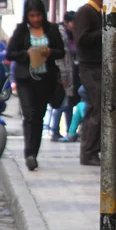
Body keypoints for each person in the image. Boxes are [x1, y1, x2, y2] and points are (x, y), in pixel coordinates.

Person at [6, 0, 65, 171]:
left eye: (38, 15)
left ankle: (34, 152)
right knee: (29, 114)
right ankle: (29, 154)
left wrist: (49, 52)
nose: (36, 19)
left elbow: (61, 52)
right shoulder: (21, 30)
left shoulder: (52, 29)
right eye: (32, 15)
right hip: (26, 80)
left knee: (38, 116)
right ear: (27, 16)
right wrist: (28, 54)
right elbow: (10, 54)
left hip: (45, 79)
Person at [73, 0, 103, 166]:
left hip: (99, 67)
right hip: (89, 68)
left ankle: (93, 150)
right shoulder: (86, 11)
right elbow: (81, 39)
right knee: (95, 107)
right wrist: (104, 32)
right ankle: (88, 152)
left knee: (99, 108)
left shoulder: (98, 13)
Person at [49, 11, 76, 140]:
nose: (74, 26)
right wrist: (63, 76)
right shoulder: (61, 34)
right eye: (73, 23)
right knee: (62, 104)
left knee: (68, 103)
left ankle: (70, 131)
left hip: (67, 73)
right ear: (66, 22)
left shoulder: (67, 34)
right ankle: (54, 131)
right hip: (63, 74)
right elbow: (61, 59)